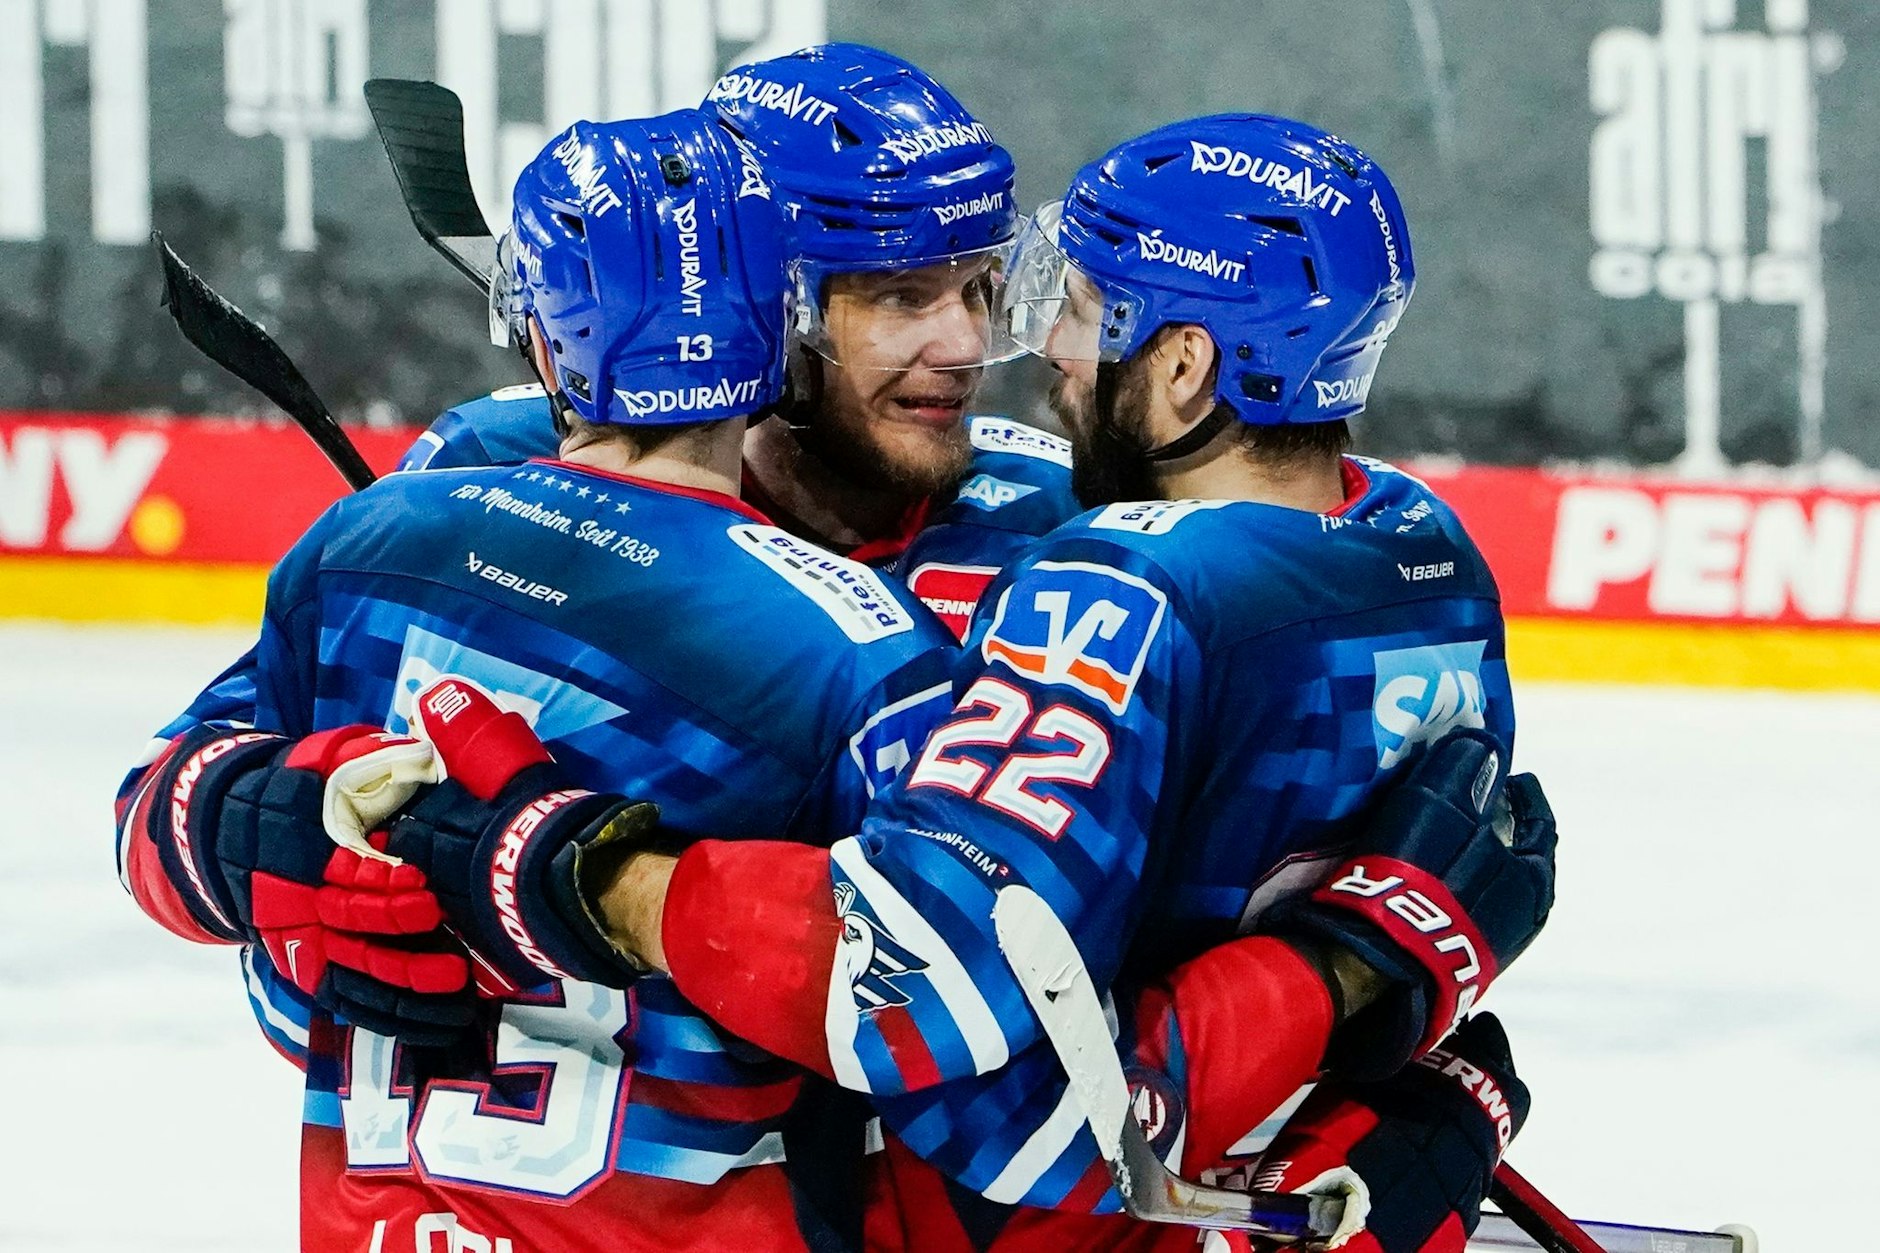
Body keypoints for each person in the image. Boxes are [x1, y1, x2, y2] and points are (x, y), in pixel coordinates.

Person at [342, 114, 1556, 1251]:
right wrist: (1386, 999)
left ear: (1184, 365)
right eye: (906, 295)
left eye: (1053, 305)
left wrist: (574, 867)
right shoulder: (1425, 546)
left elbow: (991, 1082)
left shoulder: (1099, 574)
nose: (1013, 351)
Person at [115, 107, 972, 1252]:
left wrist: (275, 827)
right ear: (782, 329)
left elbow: (151, 821)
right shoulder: (864, 645)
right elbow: (948, 1013)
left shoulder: (367, 539)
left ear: (541, 333)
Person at [395, 44, 1082, 640]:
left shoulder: (1060, 516)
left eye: (977, 290)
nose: (962, 345)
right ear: (758, 304)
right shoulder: (484, 469)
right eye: (901, 296)